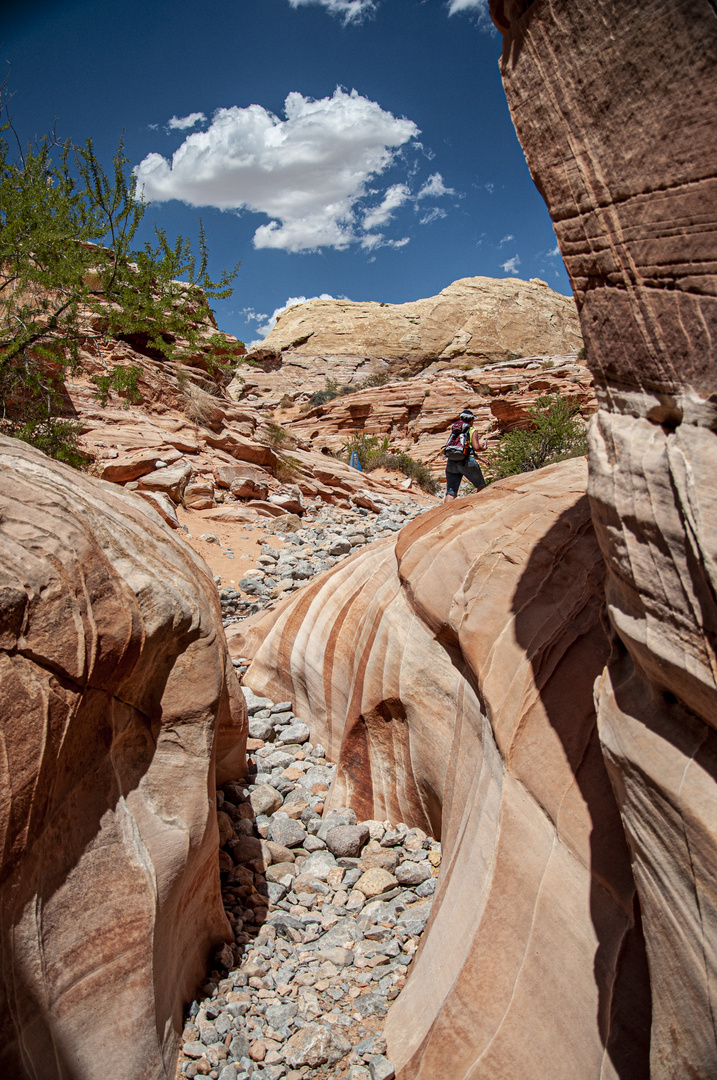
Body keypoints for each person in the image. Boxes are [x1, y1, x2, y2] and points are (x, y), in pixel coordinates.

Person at [444, 408, 489, 504]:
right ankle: (479, 508)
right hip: (466, 462)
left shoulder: (455, 430)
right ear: (471, 420)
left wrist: (481, 460)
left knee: (451, 493)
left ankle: (443, 515)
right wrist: (484, 448)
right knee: (481, 486)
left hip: (451, 462)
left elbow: (462, 449)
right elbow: (476, 448)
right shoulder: (472, 430)